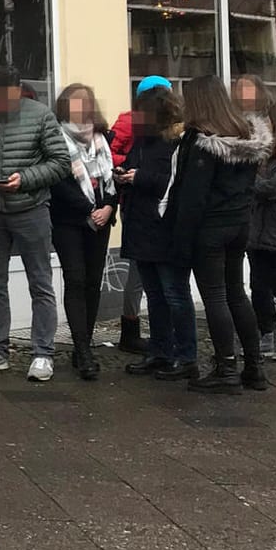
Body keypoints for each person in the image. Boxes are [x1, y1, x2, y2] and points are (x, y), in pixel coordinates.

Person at [0, 65, 71, 381]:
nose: (1, 103)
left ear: (18, 90)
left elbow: (60, 162)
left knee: (40, 282)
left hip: (31, 210)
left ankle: (43, 353)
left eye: (7, 96)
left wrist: (24, 179)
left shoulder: (40, 114)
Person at [165, 76, 273, 393]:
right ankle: (253, 367)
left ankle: (226, 368)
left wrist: (180, 243)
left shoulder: (200, 141)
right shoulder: (244, 135)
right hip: (239, 225)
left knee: (215, 297)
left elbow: (192, 198)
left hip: (210, 230)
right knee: (236, 292)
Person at [119, 85, 196, 380]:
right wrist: (124, 174)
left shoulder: (177, 143)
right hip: (141, 227)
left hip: (165, 230)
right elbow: (133, 165)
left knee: (175, 294)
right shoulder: (142, 141)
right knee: (155, 296)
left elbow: (176, 184)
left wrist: (141, 177)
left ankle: (186, 355)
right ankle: (160, 351)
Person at [48, 83, 118, 382]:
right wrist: (88, 208)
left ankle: (84, 344)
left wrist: (110, 207)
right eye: (75, 102)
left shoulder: (103, 138)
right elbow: (57, 181)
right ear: (64, 106)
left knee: (92, 282)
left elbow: (111, 180)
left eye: (85, 101)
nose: (80, 106)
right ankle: (83, 350)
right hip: (69, 221)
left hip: (100, 221)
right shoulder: (55, 138)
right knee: (75, 280)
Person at [110, 76, 171, 355]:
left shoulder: (170, 131)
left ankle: (157, 336)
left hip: (156, 202)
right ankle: (131, 328)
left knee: (154, 273)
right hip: (133, 202)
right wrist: (128, 170)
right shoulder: (128, 122)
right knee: (138, 269)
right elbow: (108, 155)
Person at [234, 75, 276, 352]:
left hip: (273, 216)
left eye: (247, 89)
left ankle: (271, 331)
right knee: (258, 282)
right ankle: (264, 331)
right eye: (239, 89)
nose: (243, 94)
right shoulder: (237, 121)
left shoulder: (270, 118)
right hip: (252, 218)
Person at [250, 102, 276, 363]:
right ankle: (266, 334)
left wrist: (248, 177)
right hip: (257, 234)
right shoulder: (263, 155)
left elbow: (271, 189)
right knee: (258, 287)